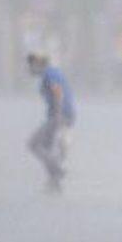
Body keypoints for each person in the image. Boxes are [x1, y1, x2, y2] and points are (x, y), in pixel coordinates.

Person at [27, 53, 76, 193]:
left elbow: (57, 92)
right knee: (49, 148)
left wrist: (57, 116)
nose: (29, 70)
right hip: (62, 115)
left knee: (34, 144)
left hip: (59, 115)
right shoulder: (53, 72)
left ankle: (56, 170)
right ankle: (54, 182)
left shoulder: (49, 74)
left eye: (31, 65)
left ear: (37, 63)